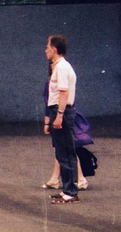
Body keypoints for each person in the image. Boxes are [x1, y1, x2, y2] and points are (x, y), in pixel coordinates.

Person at [42, 59, 88, 191]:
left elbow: (54, 100)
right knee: (62, 148)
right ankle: (57, 179)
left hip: (60, 114)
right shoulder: (56, 78)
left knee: (65, 148)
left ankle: (78, 180)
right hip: (62, 114)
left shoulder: (56, 78)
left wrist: (54, 118)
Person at [44, 35, 80, 203]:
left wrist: (59, 115)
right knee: (61, 151)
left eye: (47, 47)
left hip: (62, 112)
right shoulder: (59, 67)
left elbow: (63, 92)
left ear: (54, 49)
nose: (45, 51)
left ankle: (70, 192)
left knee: (65, 152)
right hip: (59, 111)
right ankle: (67, 189)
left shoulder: (61, 68)